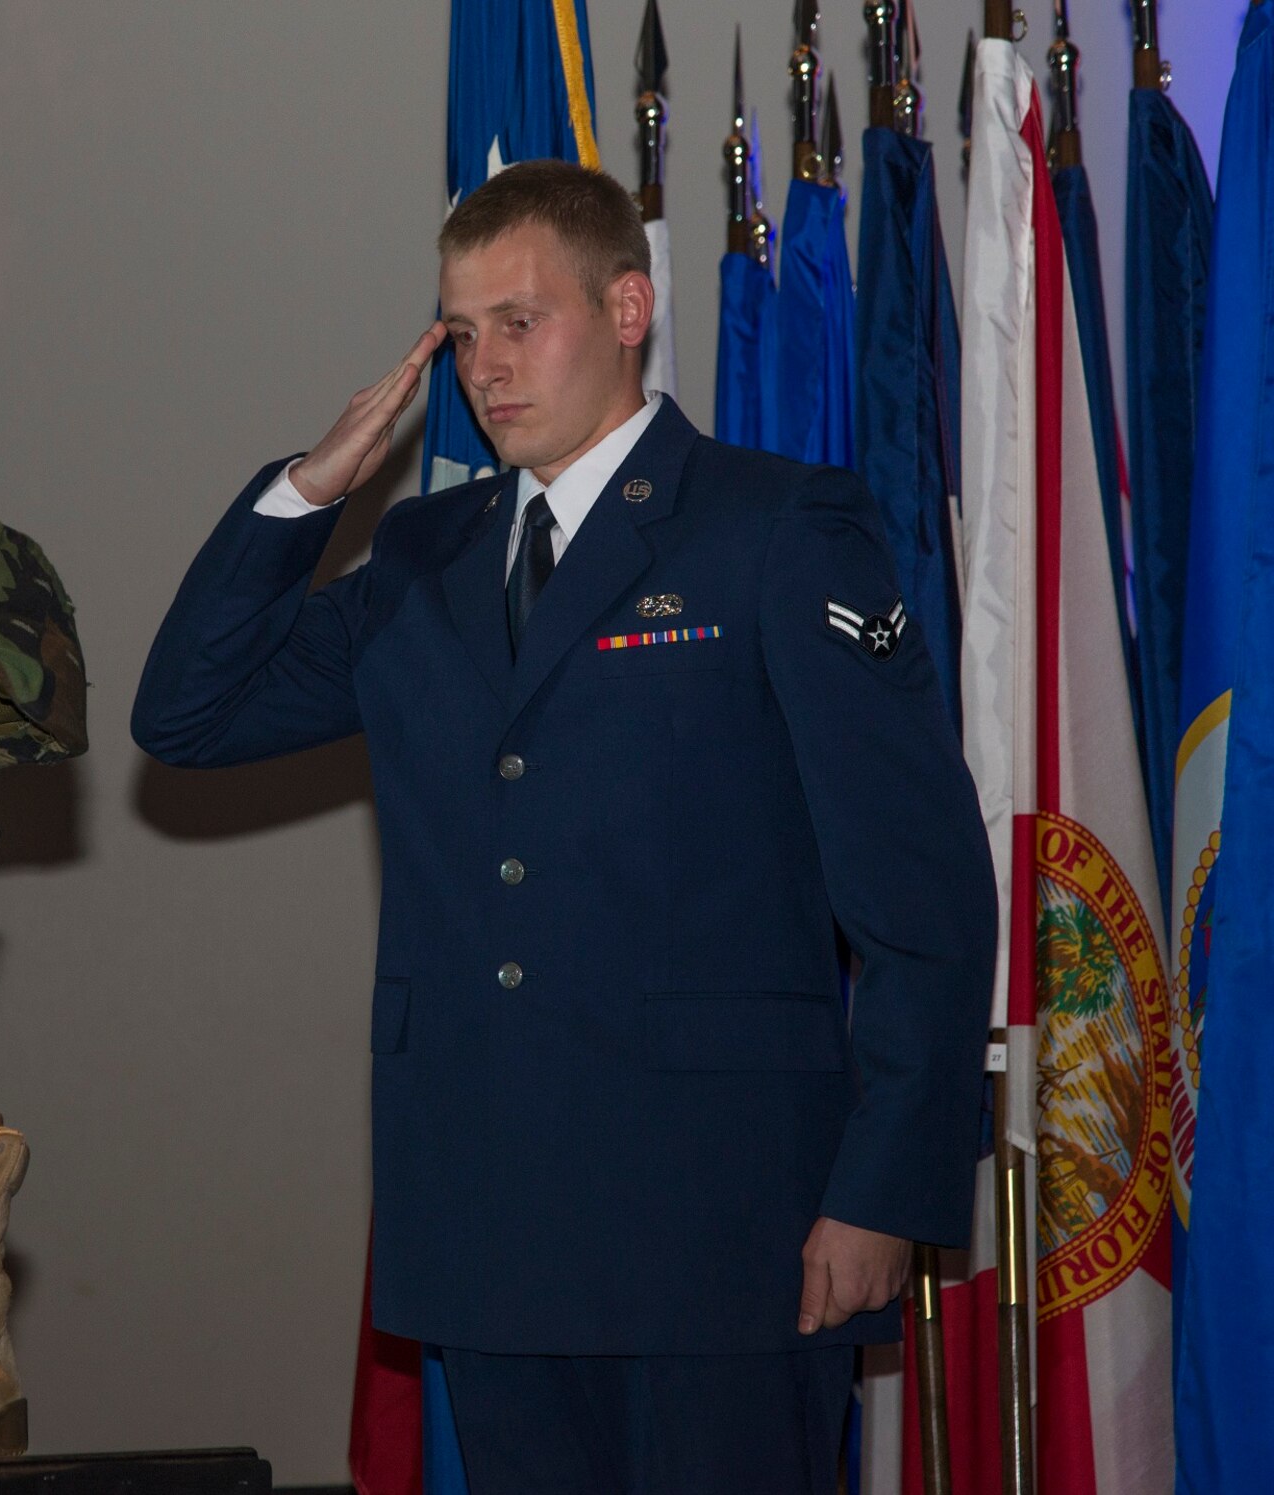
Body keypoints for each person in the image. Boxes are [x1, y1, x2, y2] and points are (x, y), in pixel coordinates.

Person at [131, 160, 994, 1495]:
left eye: (521, 321)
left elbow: (921, 892)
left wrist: (886, 1187)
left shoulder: (776, 529)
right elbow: (188, 716)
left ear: (631, 305)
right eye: (462, 334)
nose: (486, 365)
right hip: (491, 1218)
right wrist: (310, 491)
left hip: (723, 1223)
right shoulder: (424, 555)